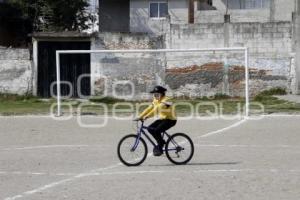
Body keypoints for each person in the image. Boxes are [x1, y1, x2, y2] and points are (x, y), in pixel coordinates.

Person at [135, 86, 177, 156]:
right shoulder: (156, 100)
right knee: (149, 129)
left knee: (157, 130)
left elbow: (156, 110)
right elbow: (149, 108)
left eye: (157, 94)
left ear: (162, 94)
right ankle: (162, 142)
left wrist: (147, 116)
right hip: (163, 119)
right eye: (154, 94)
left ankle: (160, 145)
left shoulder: (167, 100)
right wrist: (140, 116)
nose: (155, 96)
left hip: (171, 120)